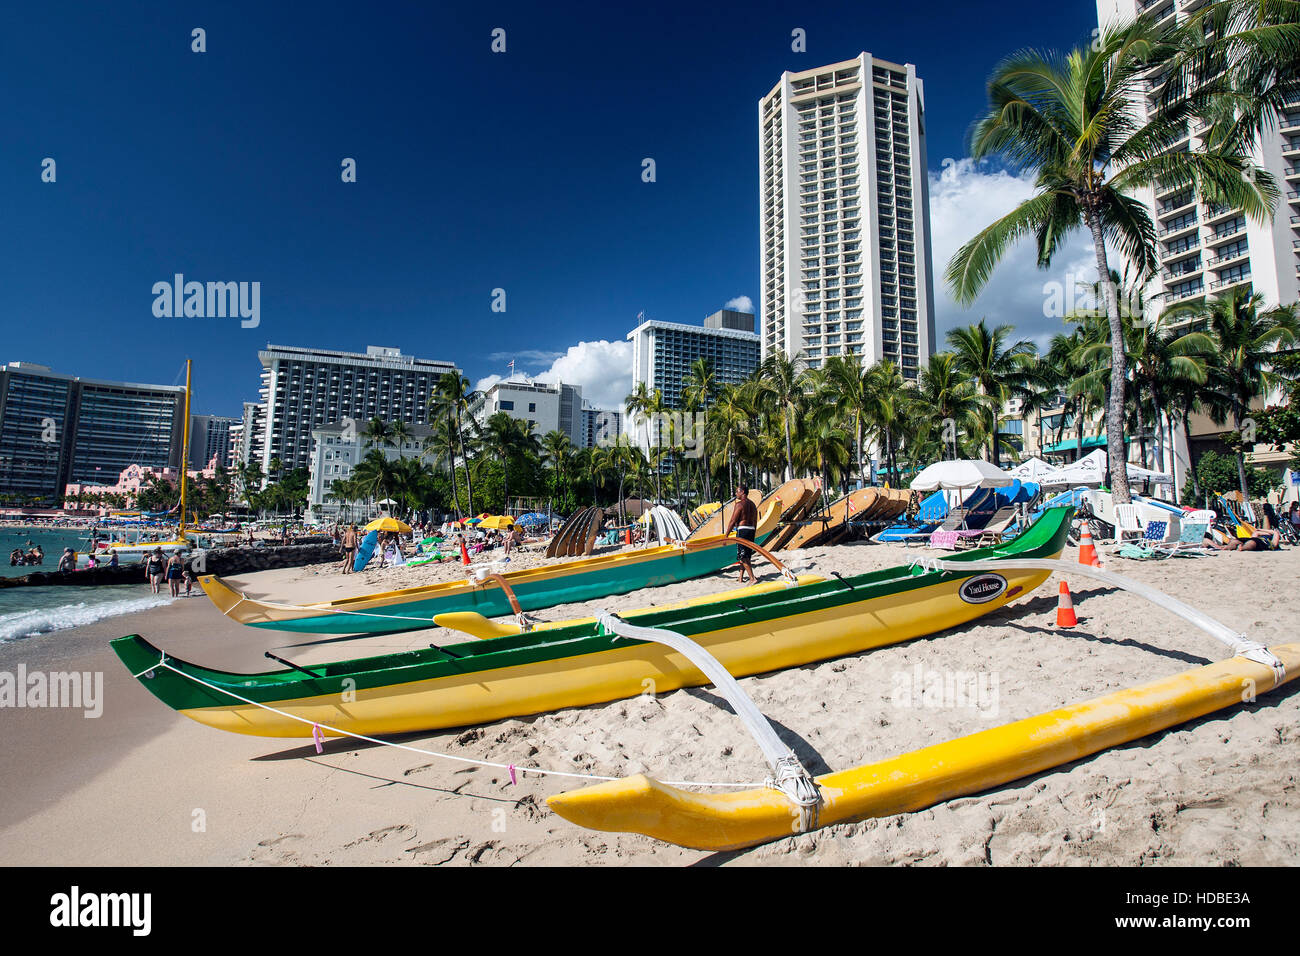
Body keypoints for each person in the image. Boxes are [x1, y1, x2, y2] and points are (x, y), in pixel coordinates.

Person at [724, 484, 759, 584]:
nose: (736, 493)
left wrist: (726, 536)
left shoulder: (739, 505)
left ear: (742, 492)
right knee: (746, 555)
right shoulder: (753, 505)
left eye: (737, 491)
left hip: (742, 530)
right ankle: (740, 578)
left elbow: (732, 521)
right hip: (751, 530)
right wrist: (754, 532)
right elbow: (755, 520)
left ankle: (752, 578)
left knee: (742, 556)